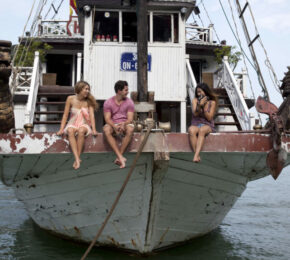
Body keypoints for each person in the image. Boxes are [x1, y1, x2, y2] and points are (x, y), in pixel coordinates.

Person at [57, 81, 98, 169]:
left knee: (81, 131)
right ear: (79, 89)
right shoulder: (70, 99)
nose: (88, 91)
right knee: (70, 130)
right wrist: (61, 129)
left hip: (84, 124)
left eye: (88, 89)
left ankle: (77, 159)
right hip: (73, 123)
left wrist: (94, 129)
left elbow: (92, 116)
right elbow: (65, 115)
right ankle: (77, 158)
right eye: (86, 89)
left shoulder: (89, 101)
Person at [103, 80, 135, 169]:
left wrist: (124, 124)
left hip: (125, 122)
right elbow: (107, 119)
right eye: (125, 90)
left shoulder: (130, 102)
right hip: (113, 123)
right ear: (119, 91)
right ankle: (120, 157)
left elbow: (130, 119)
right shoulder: (108, 102)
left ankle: (119, 156)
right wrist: (114, 126)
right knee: (106, 130)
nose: (127, 92)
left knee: (130, 129)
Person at [188, 83, 217, 163]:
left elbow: (209, 118)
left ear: (205, 91)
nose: (199, 94)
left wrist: (204, 107)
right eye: (197, 92)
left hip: (207, 125)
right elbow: (195, 114)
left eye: (200, 91)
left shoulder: (212, 102)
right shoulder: (195, 100)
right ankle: (197, 155)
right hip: (196, 124)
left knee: (202, 130)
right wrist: (199, 105)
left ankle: (196, 155)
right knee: (191, 130)